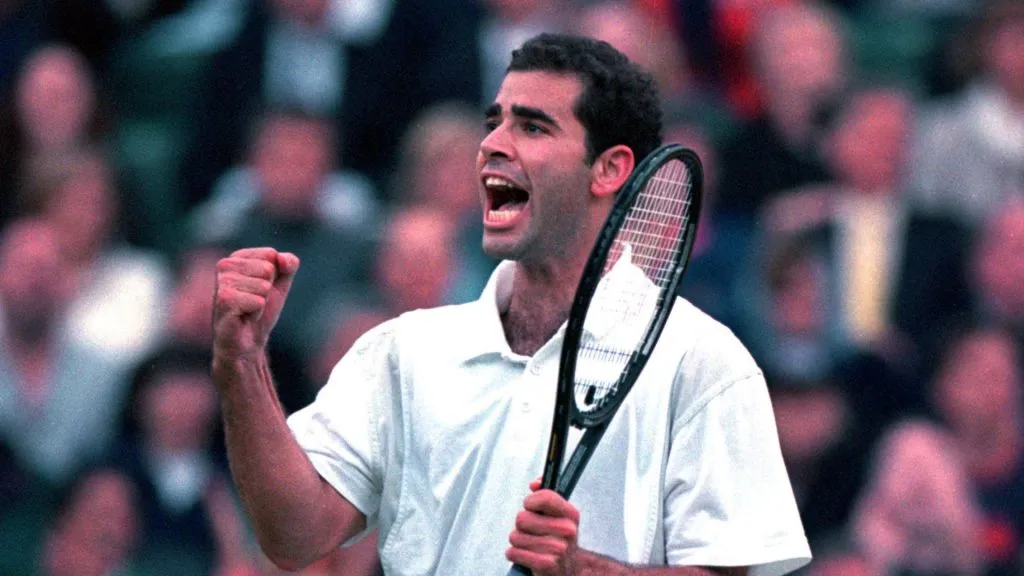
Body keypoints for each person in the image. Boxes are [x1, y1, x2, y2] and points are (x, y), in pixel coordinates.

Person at [212, 33, 810, 575]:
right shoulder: (402, 351)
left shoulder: (703, 363)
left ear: (609, 169)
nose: (492, 145)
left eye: (532, 127)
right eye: (493, 122)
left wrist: (583, 571)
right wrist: (242, 363)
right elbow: (292, 536)